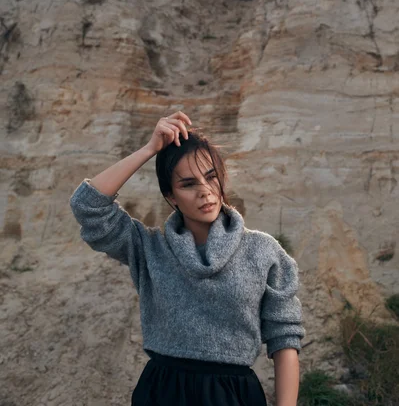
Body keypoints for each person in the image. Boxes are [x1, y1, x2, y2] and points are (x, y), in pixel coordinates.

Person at [70, 111, 305, 406]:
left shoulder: (264, 252)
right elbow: (87, 205)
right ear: (171, 196)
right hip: (161, 393)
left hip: (233, 397)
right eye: (188, 184)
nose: (205, 192)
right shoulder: (149, 249)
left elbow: (285, 341)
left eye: (211, 178)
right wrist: (149, 149)